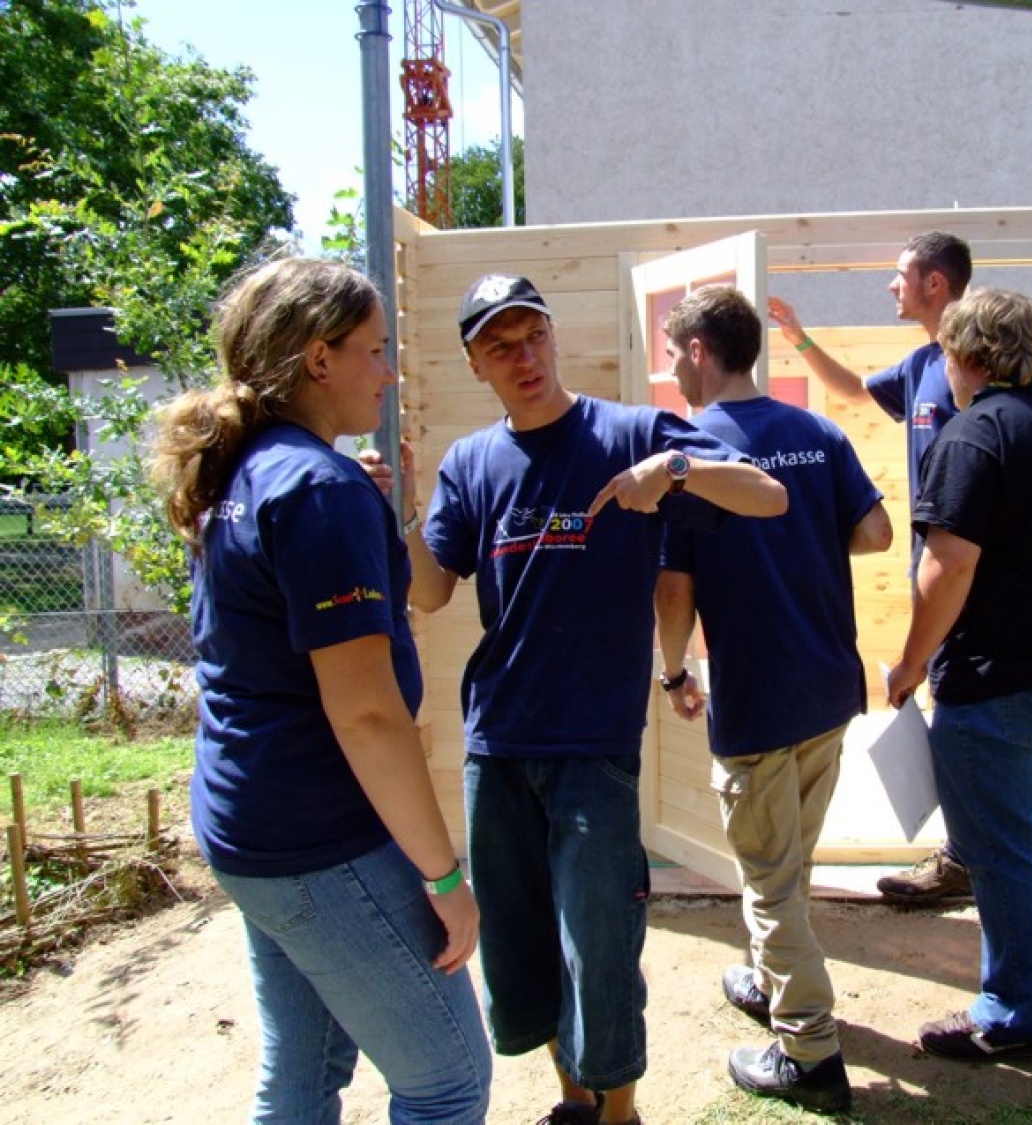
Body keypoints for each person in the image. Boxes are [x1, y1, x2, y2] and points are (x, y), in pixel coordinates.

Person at [395, 274, 787, 1125]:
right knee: (524, 944)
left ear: (554, 337)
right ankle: (571, 1101)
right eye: (501, 345)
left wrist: (677, 467)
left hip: (593, 746)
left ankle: (620, 1112)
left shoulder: (632, 432)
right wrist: (395, 513)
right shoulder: (470, 463)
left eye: (534, 334)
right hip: (497, 743)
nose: (524, 355)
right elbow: (428, 592)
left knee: (601, 942)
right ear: (475, 363)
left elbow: (768, 494)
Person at [150, 257, 491, 1123]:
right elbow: (368, 714)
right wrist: (444, 877)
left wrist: (381, 510)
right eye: (375, 352)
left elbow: (386, 601)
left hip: (248, 825)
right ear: (317, 359)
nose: (388, 373)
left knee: (301, 1076)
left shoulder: (250, 469)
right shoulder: (314, 487)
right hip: (317, 838)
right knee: (447, 1083)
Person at [652, 287, 892, 1113]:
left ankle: (810, 1053)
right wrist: (798, 542)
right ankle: (766, 974)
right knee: (789, 860)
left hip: (756, 697)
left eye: (671, 351)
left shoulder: (691, 453)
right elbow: (875, 535)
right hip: (828, 685)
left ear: (696, 351)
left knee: (769, 878)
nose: (671, 368)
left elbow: (675, 585)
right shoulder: (815, 431)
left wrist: (675, 672)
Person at [885, 288, 1032, 1062]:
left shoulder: (972, 434)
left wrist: (912, 660)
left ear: (971, 356)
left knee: (1000, 847)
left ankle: (1015, 1014)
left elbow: (947, 562)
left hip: (999, 686)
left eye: (948, 350)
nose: (943, 365)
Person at [770, 230, 975, 905]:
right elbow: (855, 389)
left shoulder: (979, 363)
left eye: (901, 274)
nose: (892, 285)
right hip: (934, 563)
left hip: (972, 569)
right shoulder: (920, 363)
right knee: (952, 713)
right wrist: (798, 338)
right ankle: (963, 854)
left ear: (935, 284)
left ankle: (970, 858)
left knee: (974, 720)